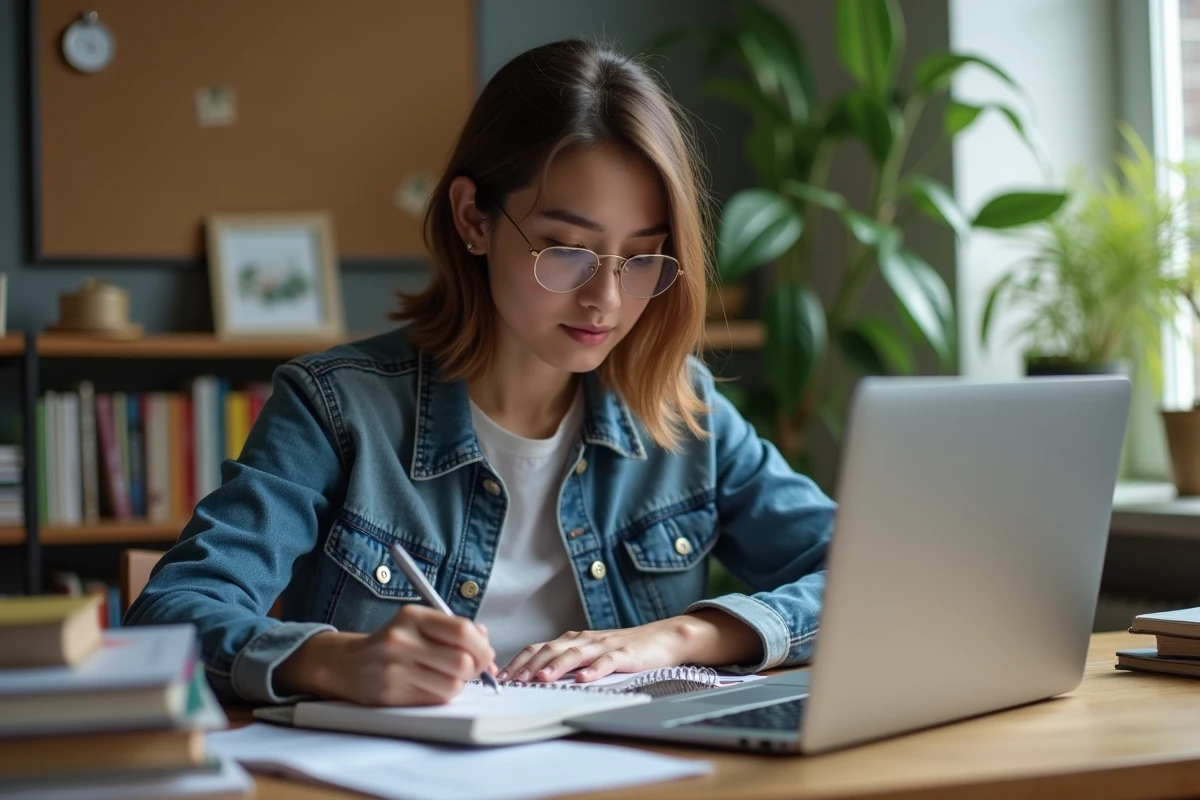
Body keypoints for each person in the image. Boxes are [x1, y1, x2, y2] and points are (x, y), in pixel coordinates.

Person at [125, 38, 836, 708]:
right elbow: (170, 615)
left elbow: (870, 576)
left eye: (642, 257)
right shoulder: (336, 409)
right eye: (567, 250)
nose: (606, 299)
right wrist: (335, 661)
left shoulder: (684, 410)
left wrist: (682, 638)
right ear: (473, 218)